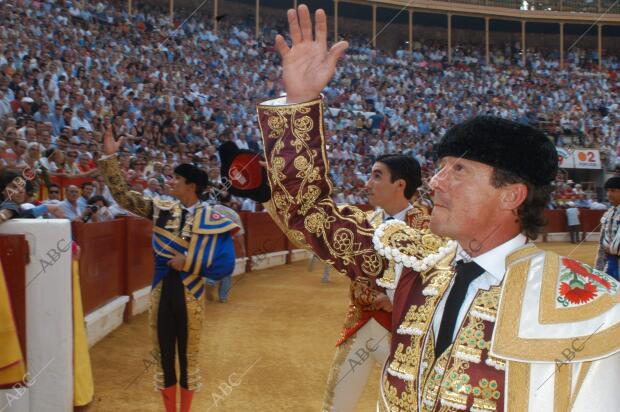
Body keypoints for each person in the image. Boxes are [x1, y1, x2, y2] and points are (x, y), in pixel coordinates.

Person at [255, 6, 619, 411]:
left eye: (458, 170)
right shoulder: (413, 258)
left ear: (511, 195)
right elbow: (309, 215)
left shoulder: (594, 308)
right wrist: (300, 101)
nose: (434, 182)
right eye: (440, 168)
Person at [98, 127, 238, 412]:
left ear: (191, 186)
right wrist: (110, 159)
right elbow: (124, 197)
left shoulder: (212, 217)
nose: (170, 182)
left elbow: (226, 263)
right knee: (163, 356)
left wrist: (189, 263)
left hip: (191, 291)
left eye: (176, 178)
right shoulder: (162, 208)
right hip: (162, 291)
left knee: (188, 357)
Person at [595, 176, 620, 280]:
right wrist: (598, 271)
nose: (609, 194)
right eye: (608, 191)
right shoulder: (608, 214)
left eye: (613, 191)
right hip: (610, 262)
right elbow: (601, 245)